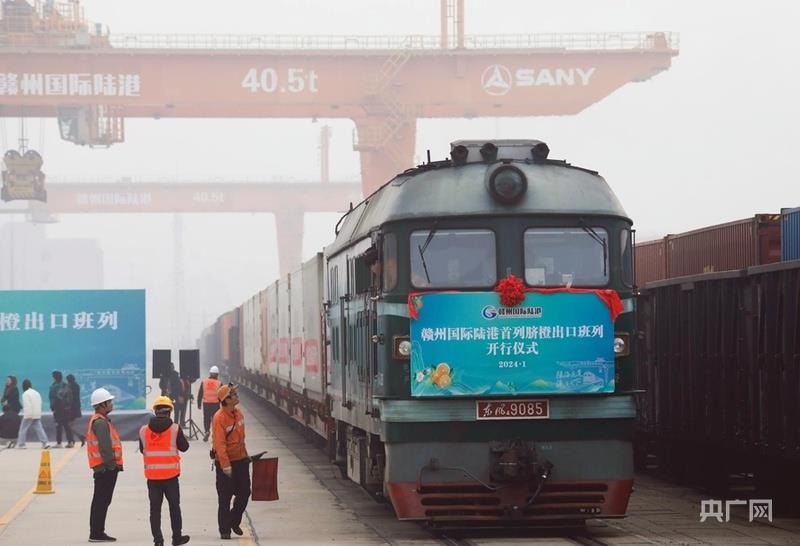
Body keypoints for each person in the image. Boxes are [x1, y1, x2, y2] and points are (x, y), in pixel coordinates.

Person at [138, 396, 190, 546]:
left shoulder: (143, 430)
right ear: (169, 412)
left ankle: (158, 541)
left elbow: (143, 450)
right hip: (171, 478)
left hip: (153, 478)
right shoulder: (175, 429)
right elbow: (185, 447)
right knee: (174, 508)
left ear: (155, 411)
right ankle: (177, 538)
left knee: (155, 510)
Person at [212, 383, 249, 540]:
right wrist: (226, 466)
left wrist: (246, 456)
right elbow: (220, 444)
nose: (236, 396)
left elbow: (241, 439)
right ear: (226, 400)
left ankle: (233, 521)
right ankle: (224, 530)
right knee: (225, 498)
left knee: (245, 493)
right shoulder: (219, 418)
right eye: (233, 394)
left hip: (241, 460)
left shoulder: (238, 413)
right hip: (226, 464)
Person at [86, 387, 123, 543]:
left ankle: (97, 532)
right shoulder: (100, 422)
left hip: (102, 468)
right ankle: (96, 533)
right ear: (102, 404)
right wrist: (112, 466)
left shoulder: (100, 420)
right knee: (101, 501)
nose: (111, 404)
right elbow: (105, 447)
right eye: (109, 401)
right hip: (105, 469)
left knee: (100, 501)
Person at [15, 379, 50, 449]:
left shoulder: (25, 394)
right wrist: (38, 414)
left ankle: (21, 444)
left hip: (29, 415)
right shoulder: (36, 393)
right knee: (39, 429)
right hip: (36, 414)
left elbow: (27, 405)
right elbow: (39, 403)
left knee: (23, 429)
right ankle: (45, 443)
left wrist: (28, 415)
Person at [49, 370, 74, 448]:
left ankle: (59, 443)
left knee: (58, 426)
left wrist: (52, 408)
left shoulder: (53, 387)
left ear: (54, 377)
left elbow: (52, 398)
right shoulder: (66, 385)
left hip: (58, 409)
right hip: (66, 409)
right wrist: (68, 406)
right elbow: (71, 397)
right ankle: (70, 442)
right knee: (67, 426)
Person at [196, 366, 221, 442]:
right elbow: (223, 394)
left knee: (206, 419)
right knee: (215, 420)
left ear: (210, 373)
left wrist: (199, 404)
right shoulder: (219, 383)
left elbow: (200, 393)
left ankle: (207, 431)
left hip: (206, 404)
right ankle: (215, 434)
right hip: (215, 404)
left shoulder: (204, 382)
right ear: (217, 375)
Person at [1, 375, 22, 447]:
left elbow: (14, 400)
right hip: (8, 409)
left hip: (14, 409)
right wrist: (3, 401)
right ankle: (10, 440)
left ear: (12, 381)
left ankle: (12, 440)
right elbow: (4, 398)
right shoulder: (6, 388)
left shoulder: (15, 389)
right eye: (6, 380)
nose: (7, 381)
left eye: (8, 380)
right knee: (8, 424)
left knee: (12, 424)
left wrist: (7, 404)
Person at [66, 374, 87, 447]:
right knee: (70, 425)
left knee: (68, 426)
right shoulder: (77, 386)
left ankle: (80, 437)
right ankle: (73, 440)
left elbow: (69, 398)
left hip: (71, 409)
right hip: (76, 408)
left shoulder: (69, 387)